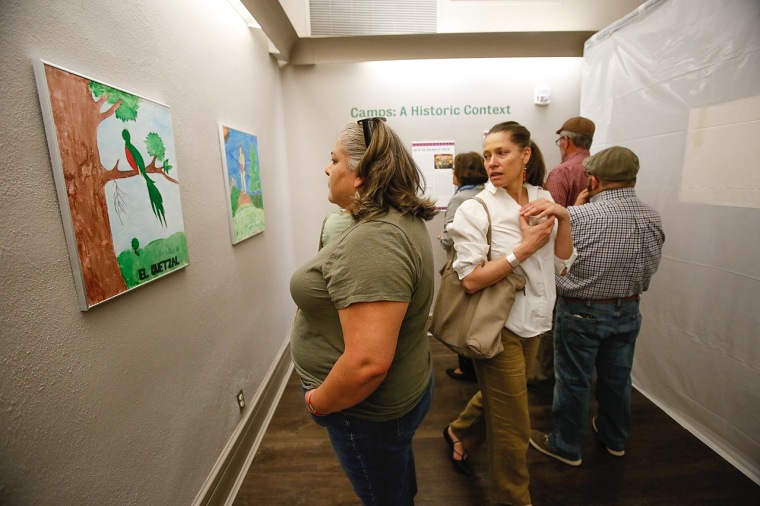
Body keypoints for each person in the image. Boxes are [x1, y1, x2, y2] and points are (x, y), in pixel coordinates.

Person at [289, 117, 438, 505]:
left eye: (334, 159)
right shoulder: (390, 219)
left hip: (366, 412)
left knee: (382, 495)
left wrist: (318, 403)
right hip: (398, 394)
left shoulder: (376, 240)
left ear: (360, 174)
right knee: (393, 480)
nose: (327, 168)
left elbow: (367, 363)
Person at [443, 121, 575, 506]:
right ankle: (513, 498)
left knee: (504, 398)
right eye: (487, 155)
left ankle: (460, 432)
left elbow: (563, 263)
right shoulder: (476, 208)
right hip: (498, 329)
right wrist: (525, 247)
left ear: (526, 155)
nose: (492, 162)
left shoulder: (542, 196)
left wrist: (563, 217)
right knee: (514, 429)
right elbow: (470, 280)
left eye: (501, 153)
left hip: (537, 322)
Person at [527, 146, 665, 467]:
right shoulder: (652, 216)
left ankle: (566, 444)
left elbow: (556, 262)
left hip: (580, 311)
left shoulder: (578, 216)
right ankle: (614, 438)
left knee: (574, 380)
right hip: (628, 309)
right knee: (617, 378)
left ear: (595, 180)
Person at [528, 116, 595, 391]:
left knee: (553, 323)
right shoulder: (598, 170)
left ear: (565, 141)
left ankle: (545, 379)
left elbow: (548, 220)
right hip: (594, 261)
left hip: (563, 259)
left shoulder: (561, 173)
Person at [439, 151, 488, 383]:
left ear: (460, 173)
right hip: (486, 266)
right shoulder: (487, 194)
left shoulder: (459, 199)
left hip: (465, 267)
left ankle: (466, 369)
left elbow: (449, 238)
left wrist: (442, 239)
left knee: (464, 318)